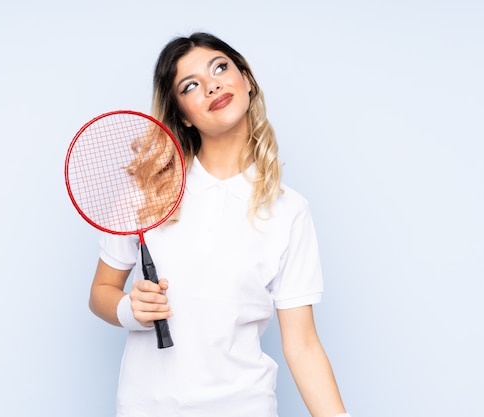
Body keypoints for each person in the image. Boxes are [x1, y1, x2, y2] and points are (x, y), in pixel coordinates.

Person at [88, 32, 351, 417]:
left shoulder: (289, 210)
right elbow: (101, 291)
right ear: (182, 114)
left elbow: (303, 345)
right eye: (191, 85)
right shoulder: (146, 192)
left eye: (221, 68)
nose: (212, 85)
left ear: (246, 79)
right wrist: (130, 308)